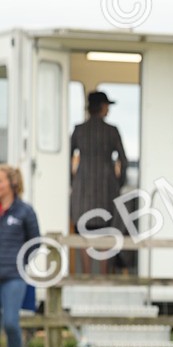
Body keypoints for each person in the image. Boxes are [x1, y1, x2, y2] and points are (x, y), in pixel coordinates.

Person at [70, 91, 128, 274]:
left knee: (83, 232)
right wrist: (119, 183)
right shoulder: (111, 131)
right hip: (106, 188)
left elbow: (67, 157)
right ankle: (103, 276)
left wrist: (73, 181)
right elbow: (123, 160)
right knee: (106, 232)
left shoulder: (79, 130)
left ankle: (86, 274)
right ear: (102, 107)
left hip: (82, 188)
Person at [0, 164, 40, 347]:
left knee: (10, 323)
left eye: (1, 181)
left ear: (12, 184)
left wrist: (20, 263)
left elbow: (35, 243)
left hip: (14, 277)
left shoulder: (25, 211)